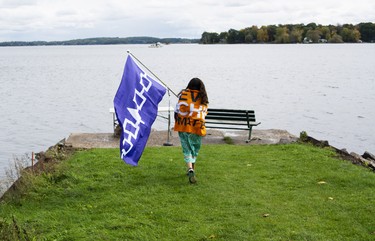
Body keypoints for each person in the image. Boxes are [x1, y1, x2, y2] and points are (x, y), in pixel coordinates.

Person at [174, 78, 209, 183]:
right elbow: (204, 112)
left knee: (186, 149)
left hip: (184, 127)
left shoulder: (183, 95)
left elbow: (177, 110)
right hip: (196, 127)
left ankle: (190, 168)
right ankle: (192, 168)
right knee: (194, 149)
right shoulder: (203, 98)